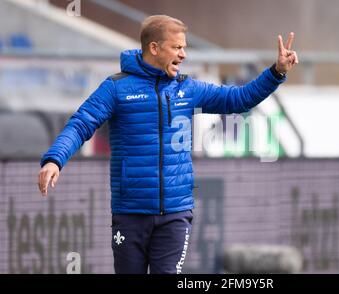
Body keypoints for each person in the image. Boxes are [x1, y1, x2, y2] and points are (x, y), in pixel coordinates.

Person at [37, 15, 298, 274]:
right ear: (154, 48)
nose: (183, 54)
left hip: (176, 213)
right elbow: (82, 123)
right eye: (177, 47)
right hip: (130, 214)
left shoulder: (188, 89)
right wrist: (54, 159)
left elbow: (237, 100)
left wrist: (276, 73)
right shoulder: (116, 88)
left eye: (184, 47)